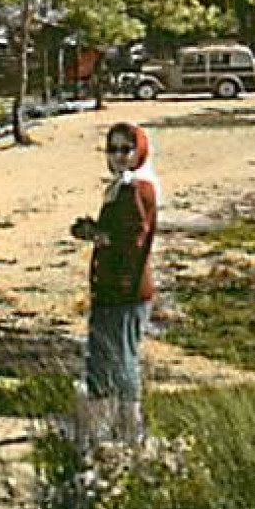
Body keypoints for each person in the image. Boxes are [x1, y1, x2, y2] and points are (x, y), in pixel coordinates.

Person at [69, 121, 159, 449]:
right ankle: (104, 434)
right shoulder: (121, 188)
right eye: (113, 149)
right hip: (112, 289)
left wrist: (97, 235)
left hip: (126, 291)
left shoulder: (137, 188)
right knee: (105, 359)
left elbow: (133, 240)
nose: (119, 155)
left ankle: (128, 436)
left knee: (121, 361)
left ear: (139, 152)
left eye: (126, 149)